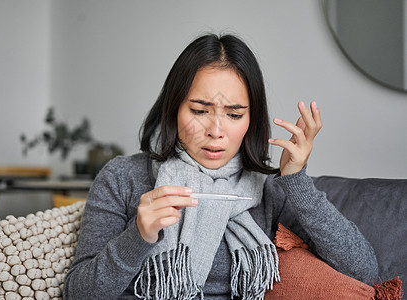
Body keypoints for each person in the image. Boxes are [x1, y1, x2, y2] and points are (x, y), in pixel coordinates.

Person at [63, 33, 378, 299]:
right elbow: (78, 293)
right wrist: (138, 236)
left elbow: (363, 271)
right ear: (174, 108)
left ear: (251, 120)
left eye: (234, 114)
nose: (216, 130)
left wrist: (295, 180)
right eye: (200, 111)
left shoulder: (270, 191)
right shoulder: (124, 177)